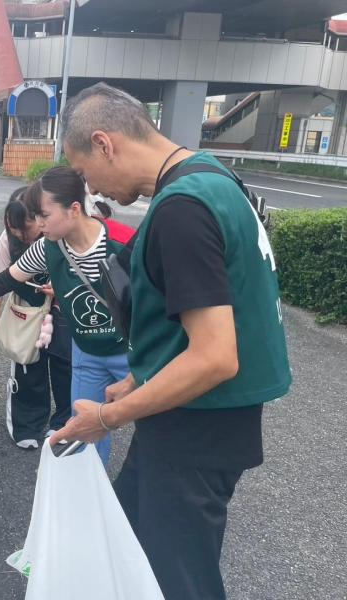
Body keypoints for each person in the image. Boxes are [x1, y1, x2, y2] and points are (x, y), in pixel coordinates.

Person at [50, 82, 291, 600]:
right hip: (194, 422)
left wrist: (109, 417)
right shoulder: (212, 177)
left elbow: (215, 357)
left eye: (86, 174)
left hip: (195, 430)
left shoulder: (182, 209)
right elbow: (211, 314)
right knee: (131, 545)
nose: (94, 192)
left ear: (104, 144)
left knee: (178, 581)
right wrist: (140, 377)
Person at [0, 167, 134, 465]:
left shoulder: (124, 241)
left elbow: (159, 301)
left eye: (45, 216)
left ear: (74, 209)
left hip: (130, 353)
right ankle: (90, 488)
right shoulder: (48, 247)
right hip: (87, 354)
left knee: (156, 424)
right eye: (36, 216)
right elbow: (3, 281)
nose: (39, 224)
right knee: (86, 435)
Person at [0, 186, 71, 449]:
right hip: (27, 311)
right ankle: (27, 424)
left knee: (65, 365)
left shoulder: (60, 234)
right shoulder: (7, 240)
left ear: (41, 218)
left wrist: (61, 288)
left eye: (25, 228)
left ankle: (63, 423)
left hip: (61, 310)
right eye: (14, 229)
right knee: (27, 366)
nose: (20, 236)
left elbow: (84, 274)